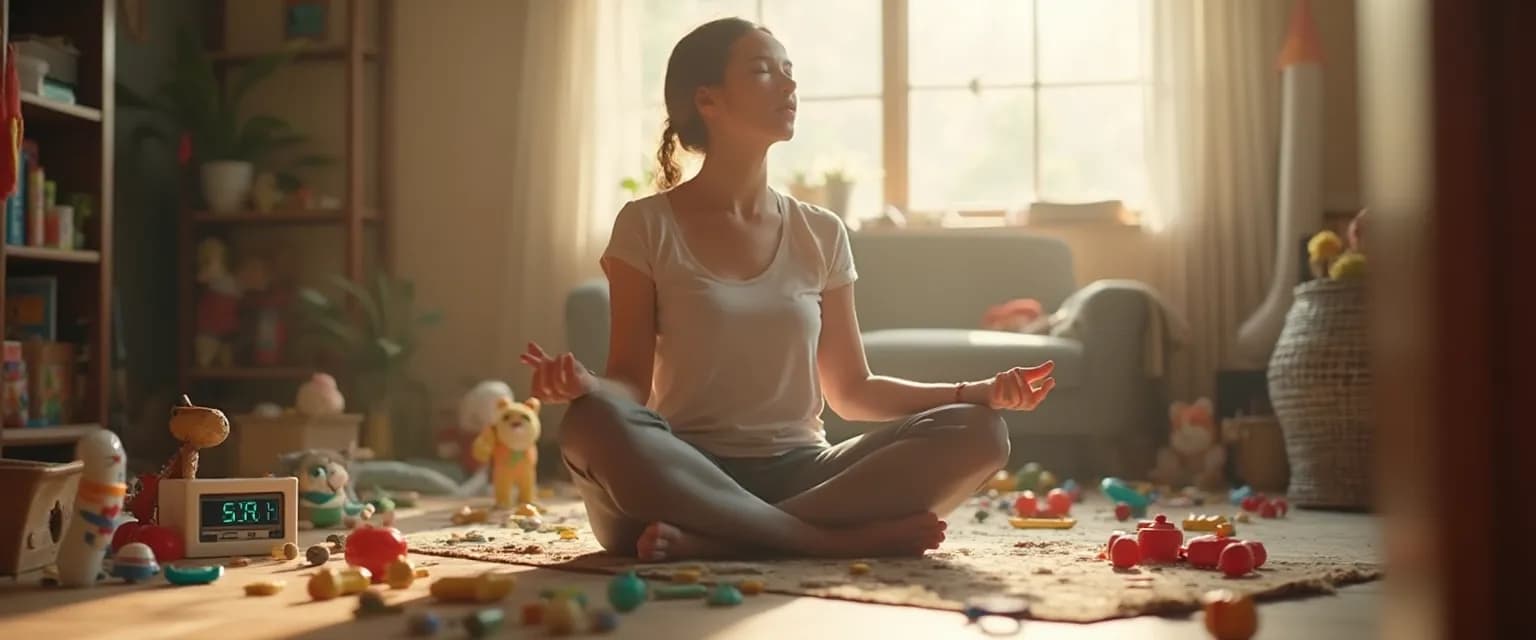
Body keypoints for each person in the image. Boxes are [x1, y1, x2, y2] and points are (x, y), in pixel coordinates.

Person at [520, 17, 1056, 562]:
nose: (789, 85)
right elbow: (630, 385)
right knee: (591, 421)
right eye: (763, 71)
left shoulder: (820, 231)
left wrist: (975, 392)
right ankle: (819, 541)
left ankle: (724, 540)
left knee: (981, 433)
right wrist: (589, 384)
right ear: (708, 100)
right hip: (680, 475)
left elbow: (852, 390)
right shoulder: (645, 225)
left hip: (803, 473)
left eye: (789, 71)